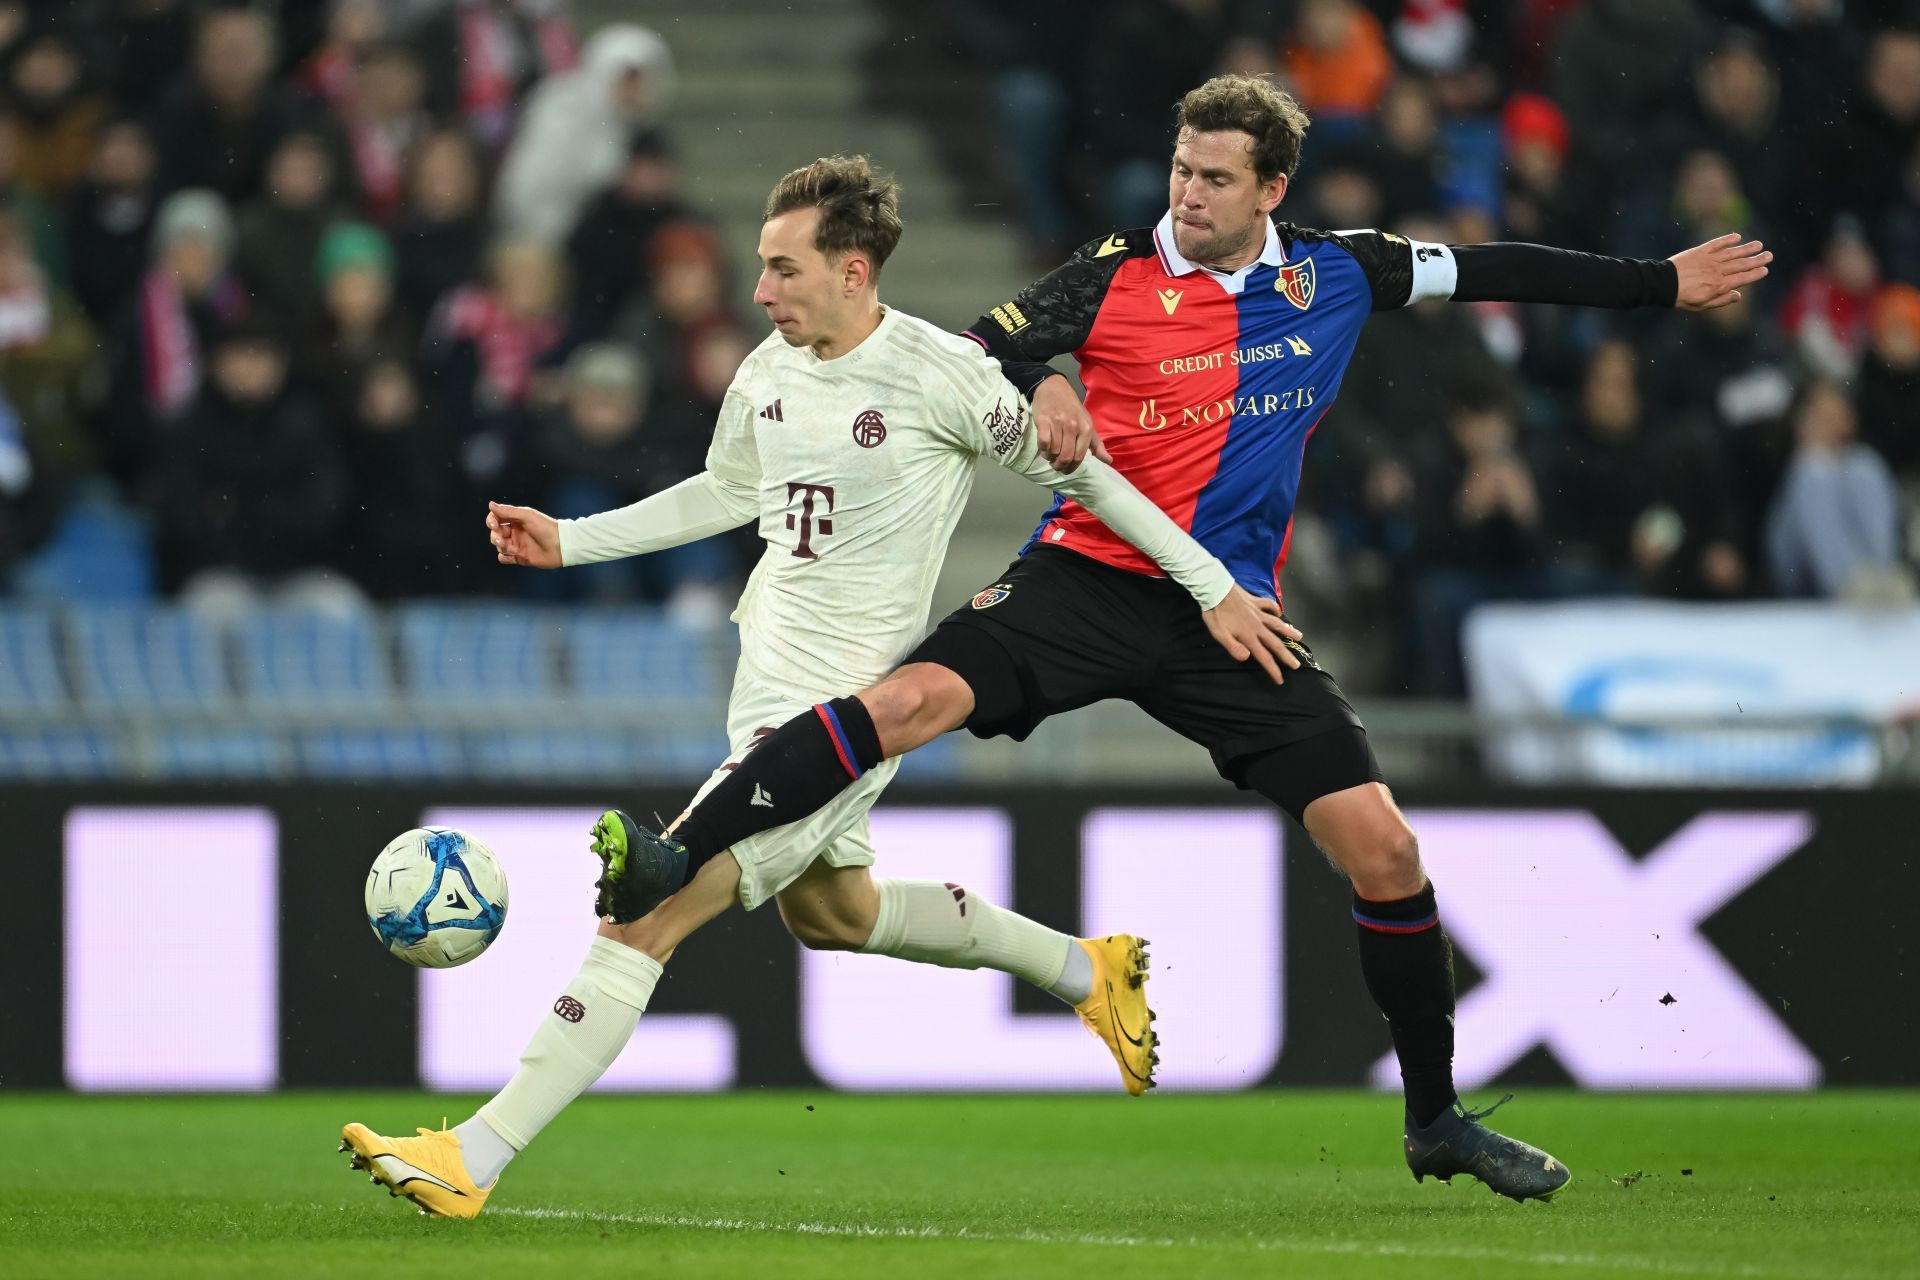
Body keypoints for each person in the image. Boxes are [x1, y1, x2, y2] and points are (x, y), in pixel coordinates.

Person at [605, 75, 1771, 1203]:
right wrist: (1051, 373)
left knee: (1386, 852)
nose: (1189, 194)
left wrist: (1655, 286)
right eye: (1180, 168)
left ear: (1273, 188)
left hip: (1229, 614)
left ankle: (1437, 1118)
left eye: (1215, 176)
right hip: (1087, 578)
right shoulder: (1113, 271)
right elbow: (964, 352)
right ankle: (679, 843)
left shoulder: (1342, 271)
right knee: (905, 702)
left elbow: (1493, 270)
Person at [340, 154, 1298, 1217]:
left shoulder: (943, 375)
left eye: (782, 270)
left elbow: (1091, 478)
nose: (761, 292)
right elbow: (728, 490)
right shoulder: (768, 369)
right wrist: (570, 541)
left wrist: (1211, 586)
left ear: (852, 270)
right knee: (833, 912)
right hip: (762, 684)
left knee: (642, 915)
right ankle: (1088, 969)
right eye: (760, 268)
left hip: (833, 724)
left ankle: (476, 1151)